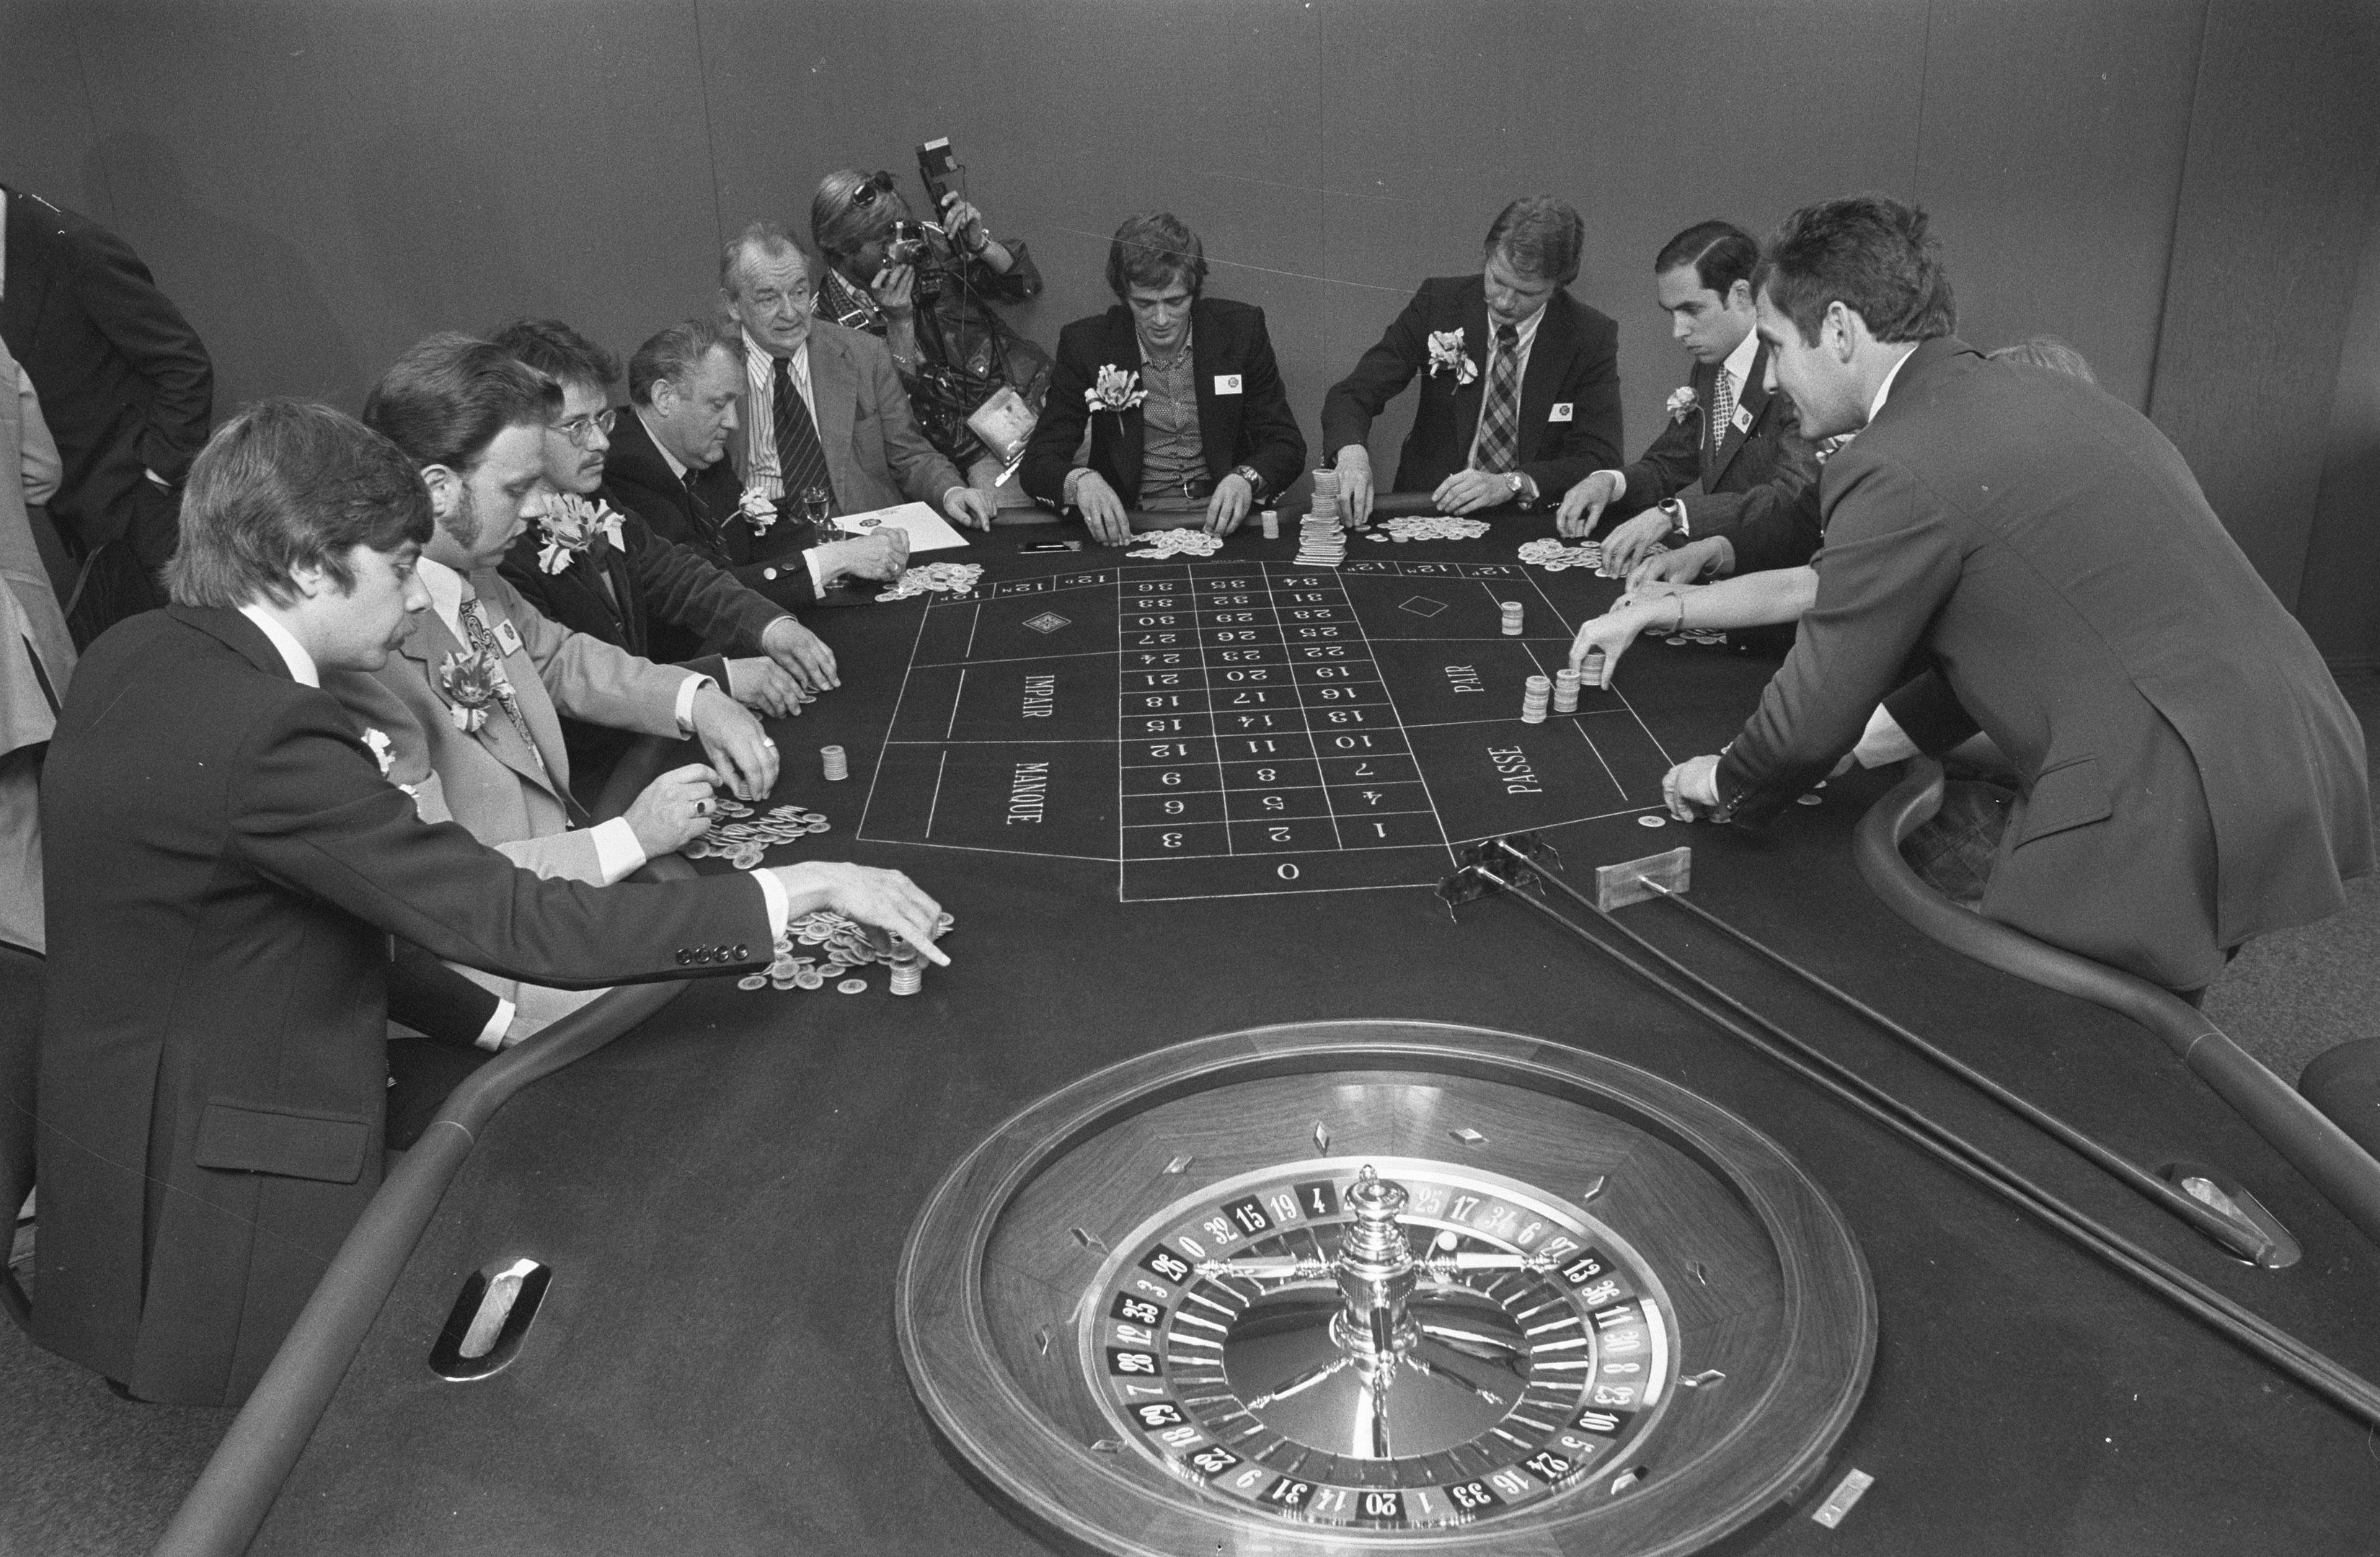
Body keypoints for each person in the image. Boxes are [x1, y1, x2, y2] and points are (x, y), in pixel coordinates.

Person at [32, 399, 944, 1404]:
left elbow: (285, 915)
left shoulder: (138, 651)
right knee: (344, 1442)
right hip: (234, 1159)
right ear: (302, 566)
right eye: (391, 569)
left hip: (115, 1123)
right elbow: (510, 916)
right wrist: (801, 885)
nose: (414, 604)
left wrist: (496, 1022)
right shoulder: (273, 731)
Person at [1618, 193, 2371, 995]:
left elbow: (1814, 705)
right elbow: (2014, 629)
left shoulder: (1895, 457)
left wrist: (1728, 781)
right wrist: (1872, 742)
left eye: (1774, 345)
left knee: (2053, 1044)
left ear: (1837, 329)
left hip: (2165, 786)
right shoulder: (2051, 396)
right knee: (2144, 1034)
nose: (1770, 375)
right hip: (2292, 741)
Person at [322, 334, 785, 1030]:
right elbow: (446, 893)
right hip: (503, 968)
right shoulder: (362, 651)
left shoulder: (472, 576)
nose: (542, 510)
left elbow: (562, 657)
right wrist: (632, 837)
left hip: (567, 898)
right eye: (517, 489)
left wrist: (698, 700)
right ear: (436, 490)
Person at [487, 319, 833, 781]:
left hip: (646, 741)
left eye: (602, 419)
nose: (601, 441)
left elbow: (671, 572)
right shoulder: (499, 550)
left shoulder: (592, 498)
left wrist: (769, 625)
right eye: (576, 426)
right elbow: (566, 689)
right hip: (593, 774)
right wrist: (714, 684)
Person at [1320, 196, 1621, 524]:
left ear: (1557, 286)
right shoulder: (1439, 302)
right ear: (1487, 255)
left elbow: (1599, 455)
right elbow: (1352, 394)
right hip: (1429, 508)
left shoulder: (1589, 335)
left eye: (1526, 293)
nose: (1505, 302)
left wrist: (1513, 483)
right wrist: (1352, 456)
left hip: (1530, 519)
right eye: (1498, 280)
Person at [0, 182, 213, 639]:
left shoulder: (71, 246)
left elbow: (184, 365)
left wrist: (154, 477)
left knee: (206, 658)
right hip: (86, 526)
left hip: (147, 514)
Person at [1019, 213, 1306, 546]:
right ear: (1124, 295)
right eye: (1144, 304)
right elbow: (1039, 463)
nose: (1161, 320)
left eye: (1175, 302)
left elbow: (1286, 443)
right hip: (1130, 523)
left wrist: (1246, 479)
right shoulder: (1087, 344)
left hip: (1225, 518)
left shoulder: (1241, 330)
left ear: (1194, 291)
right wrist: (1081, 481)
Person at [1555, 221, 1819, 577]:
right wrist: (1609, 482)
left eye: (1692, 311)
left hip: (1779, 580)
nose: (1679, 332)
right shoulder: (1709, 368)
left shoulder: (1791, 372)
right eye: (1671, 313)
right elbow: (1669, 464)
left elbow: (1790, 497)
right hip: (1719, 573)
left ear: (1742, 295)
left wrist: (1674, 514)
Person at [603, 317, 911, 609]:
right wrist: (838, 558)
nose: (733, 422)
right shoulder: (624, 470)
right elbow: (711, 589)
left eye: (734, 403)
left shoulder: (699, 448)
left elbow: (753, 541)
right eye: (718, 404)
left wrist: (855, 544)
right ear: (664, 397)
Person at [716, 221, 994, 531]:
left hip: (860, 529)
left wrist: (951, 492)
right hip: (761, 533)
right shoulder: (712, 367)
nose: (791, 312)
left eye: (799, 292)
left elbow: (910, 454)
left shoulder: (864, 355)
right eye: (769, 299)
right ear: (733, 305)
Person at [811, 169, 1052, 505]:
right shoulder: (826, 323)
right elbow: (897, 425)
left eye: (898, 230)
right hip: (975, 451)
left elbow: (1024, 285)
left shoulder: (928, 239)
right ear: (840, 251)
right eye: (883, 242)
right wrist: (900, 323)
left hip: (1039, 399)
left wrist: (980, 245)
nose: (900, 246)